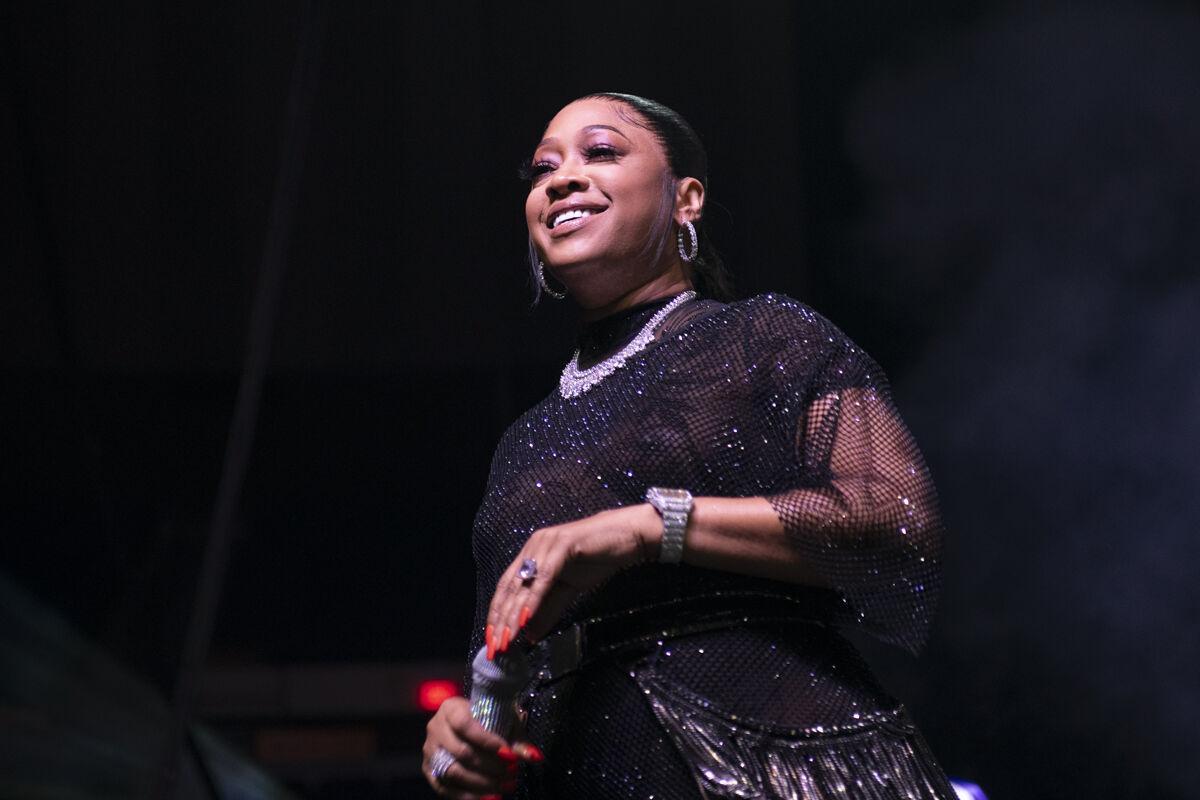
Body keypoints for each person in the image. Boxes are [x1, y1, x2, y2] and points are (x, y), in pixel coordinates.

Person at [422, 92, 956, 800]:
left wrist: (648, 528)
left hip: (775, 761)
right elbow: (500, 655)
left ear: (687, 200)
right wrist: (463, 733)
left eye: (602, 152)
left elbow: (893, 518)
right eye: (543, 168)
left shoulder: (766, 338)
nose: (560, 179)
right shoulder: (523, 443)